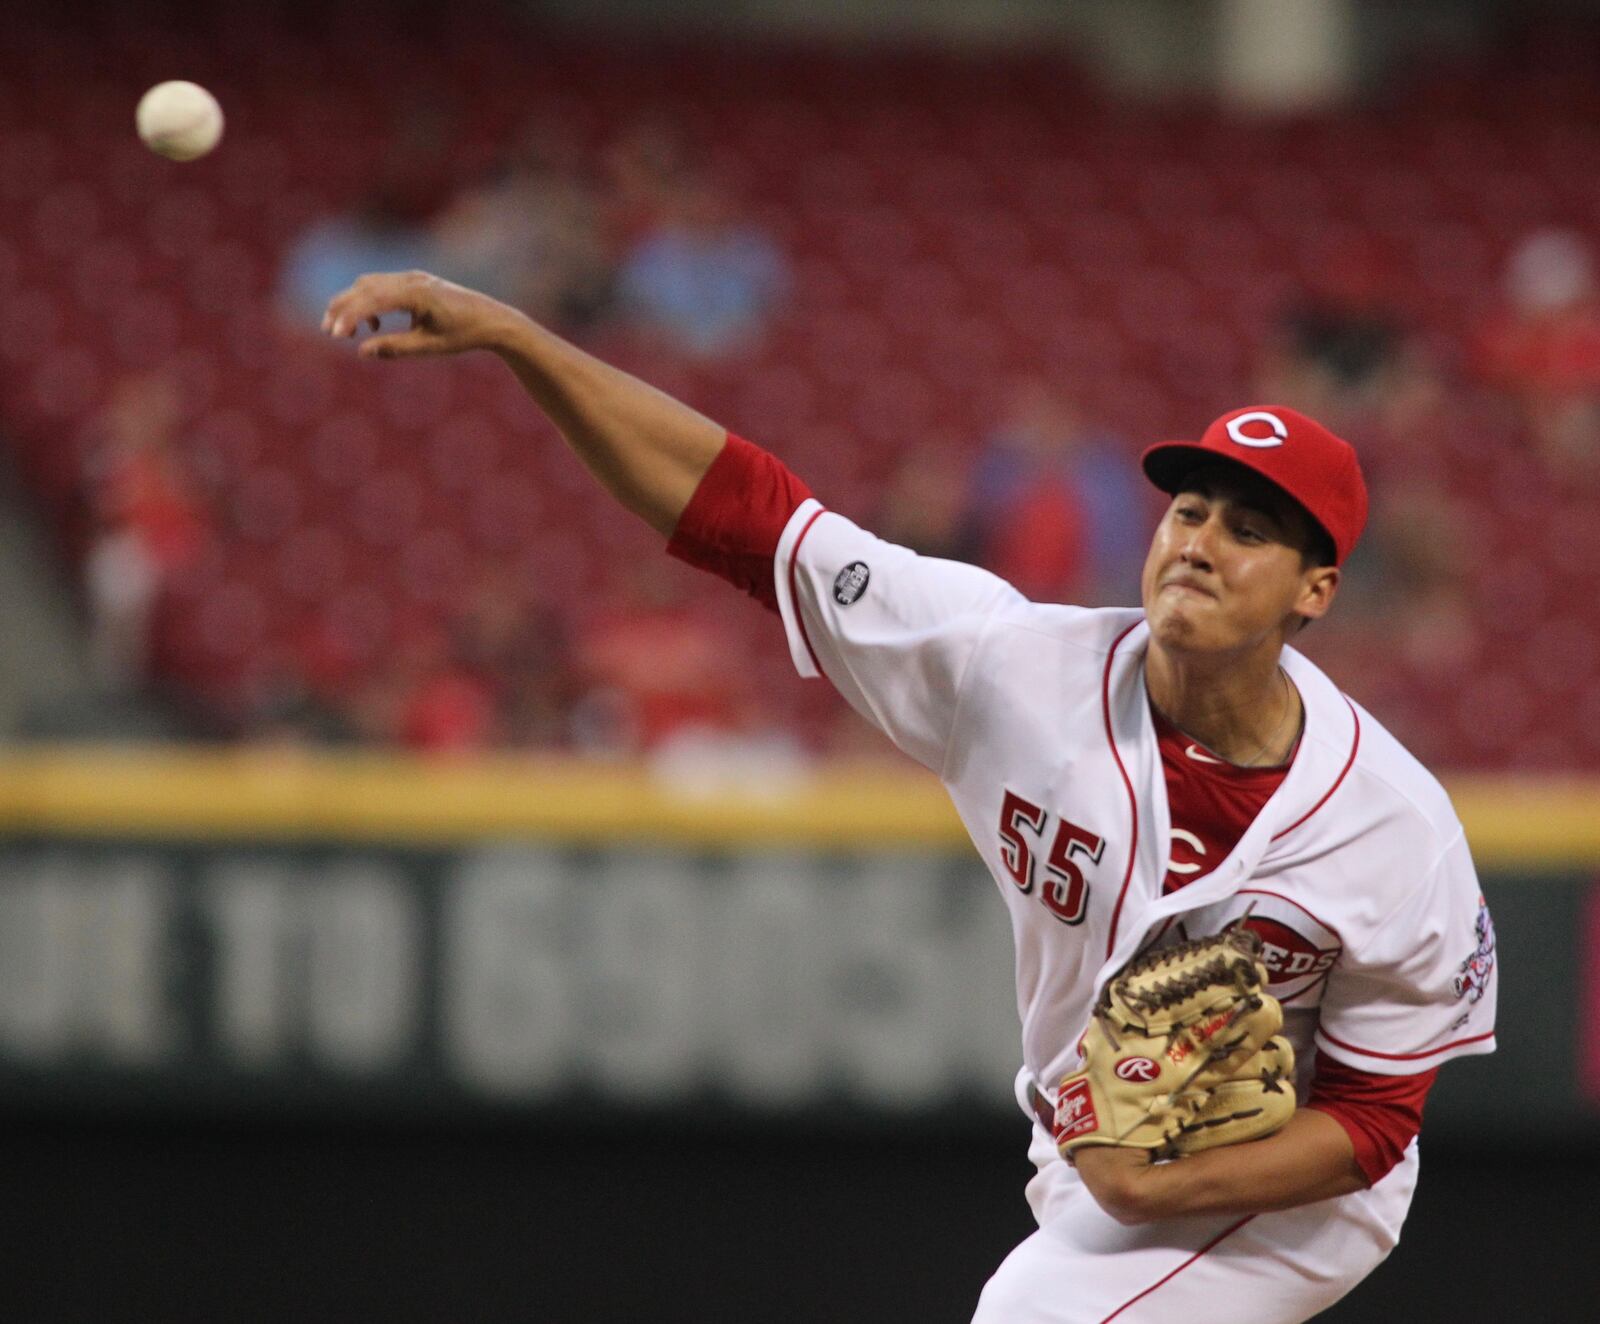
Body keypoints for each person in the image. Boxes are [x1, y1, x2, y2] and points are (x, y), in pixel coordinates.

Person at [321, 272, 1498, 1323]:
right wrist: (528, 340)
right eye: (1188, 508)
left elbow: (1375, 1120)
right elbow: (751, 516)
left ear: (1316, 590)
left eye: (1249, 530)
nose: (1198, 540)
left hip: (1289, 1198)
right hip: (1088, 1156)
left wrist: (1165, 1180)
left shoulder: (1392, 825)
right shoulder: (1009, 667)